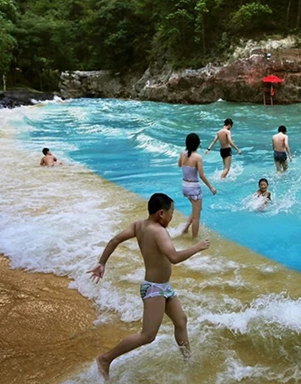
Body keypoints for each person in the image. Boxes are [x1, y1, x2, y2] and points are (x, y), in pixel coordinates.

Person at [88, 193, 210, 380]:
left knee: (181, 321)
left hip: (163, 287)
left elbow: (114, 240)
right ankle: (105, 359)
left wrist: (102, 262)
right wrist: (198, 247)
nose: (171, 217)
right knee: (147, 335)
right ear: (161, 213)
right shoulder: (158, 231)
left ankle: (188, 361)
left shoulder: (139, 225)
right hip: (154, 289)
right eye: (171, 213)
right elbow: (174, 257)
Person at [178, 133, 217, 238]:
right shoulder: (198, 157)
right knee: (196, 217)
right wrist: (211, 187)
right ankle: (194, 240)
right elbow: (202, 175)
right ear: (198, 144)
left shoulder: (182, 153)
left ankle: (185, 229)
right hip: (194, 188)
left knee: (197, 209)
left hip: (184, 186)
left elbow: (179, 165)